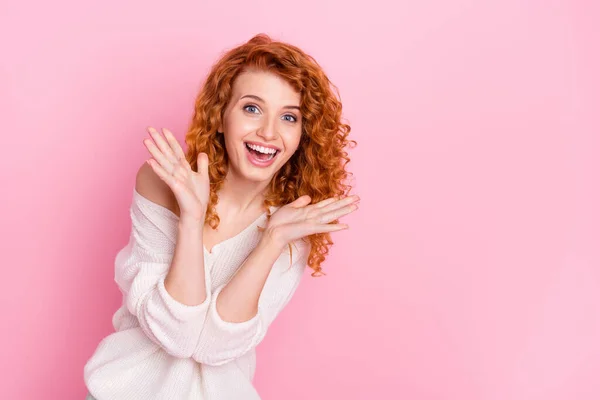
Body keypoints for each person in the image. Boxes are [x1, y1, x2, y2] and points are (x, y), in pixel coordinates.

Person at [83, 33, 359, 400]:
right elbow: (175, 335)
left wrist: (271, 242)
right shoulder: (165, 183)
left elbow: (214, 348)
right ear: (220, 116)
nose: (268, 132)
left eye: (289, 117)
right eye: (251, 108)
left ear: (302, 136)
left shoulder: (292, 228)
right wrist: (191, 218)